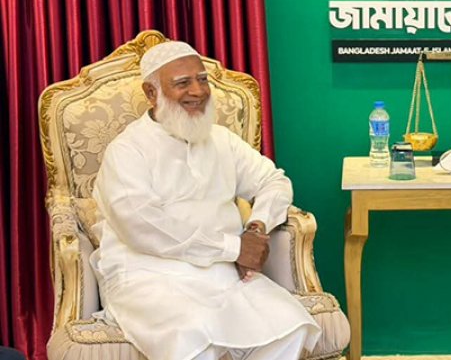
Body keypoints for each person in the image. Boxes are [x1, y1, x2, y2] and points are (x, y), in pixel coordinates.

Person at [90, 41, 321, 360]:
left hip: (222, 273)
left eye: (202, 79)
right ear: (151, 93)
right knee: (192, 337)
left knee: (290, 325)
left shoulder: (222, 140)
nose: (198, 91)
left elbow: (274, 181)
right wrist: (233, 248)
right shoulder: (127, 150)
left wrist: (256, 227)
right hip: (147, 275)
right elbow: (141, 227)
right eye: (183, 83)